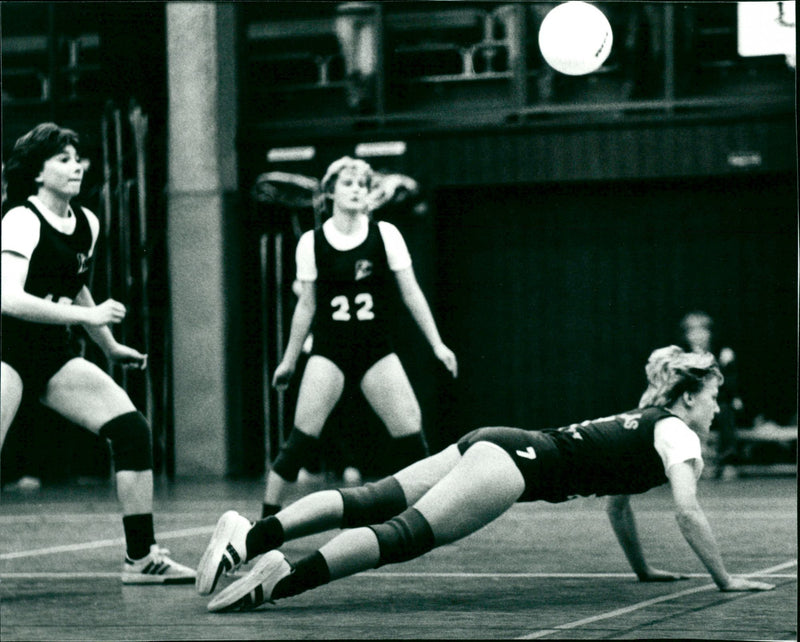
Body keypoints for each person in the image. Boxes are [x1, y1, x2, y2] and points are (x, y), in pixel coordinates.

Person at [197, 345, 774, 609]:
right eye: (715, 397)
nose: (718, 408)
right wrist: (724, 580)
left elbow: (618, 506)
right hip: (518, 466)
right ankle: (279, 582)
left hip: (498, 440)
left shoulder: (643, 420)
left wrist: (645, 571)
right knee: (404, 535)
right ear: (691, 396)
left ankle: (251, 538)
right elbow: (687, 510)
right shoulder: (679, 433)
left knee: (371, 498)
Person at [1, 122, 195, 584]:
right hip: (5, 351)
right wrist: (89, 321)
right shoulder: (20, 219)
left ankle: (142, 559)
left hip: (51, 355)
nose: (76, 167)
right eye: (63, 160)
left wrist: (109, 346)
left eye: (77, 158)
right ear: (36, 173)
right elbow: (7, 297)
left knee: (132, 431)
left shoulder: (86, 221)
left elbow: (75, 282)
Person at [261, 156, 458, 518]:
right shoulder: (311, 242)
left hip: (375, 349)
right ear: (330, 190)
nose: (356, 190)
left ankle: (433, 515)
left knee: (411, 435)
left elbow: (411, 292)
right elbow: (306, 306)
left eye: (362, 185)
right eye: (348, 183)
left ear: (369, 195)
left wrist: (437, 344)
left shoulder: (386, 235)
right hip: (329, 350)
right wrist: (289, 361)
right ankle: (266, 519)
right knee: (300, 442)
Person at [679, 311, 742, 480]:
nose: (698, 336)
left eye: (702, 331)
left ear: (710, 333)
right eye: (692, 332)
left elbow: (729, 384)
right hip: (691, 404)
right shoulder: (680, 356)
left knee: (726, 412)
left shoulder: (722, 354)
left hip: (717, 402)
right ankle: (697, 463)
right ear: (687, 335)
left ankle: (729, 461)